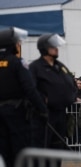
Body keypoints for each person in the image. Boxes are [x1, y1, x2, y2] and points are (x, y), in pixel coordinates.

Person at [0, 27, 48, 167]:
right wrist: (42, 109)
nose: (18, 45)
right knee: (20, 151)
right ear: (11, 45)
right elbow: (30, 88)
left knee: (4, 151)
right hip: (17, 113)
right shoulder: (17, 63)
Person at [29, 33, 77, 150]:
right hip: (44, 115)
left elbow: (71, 83)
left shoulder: (60, 66)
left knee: (57, 147)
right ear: (44, 49)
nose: (56, 49)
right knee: (44, 146)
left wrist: (71, 96)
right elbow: (30, 89)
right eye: (53, 47)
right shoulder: (35, 67)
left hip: (60, 114)